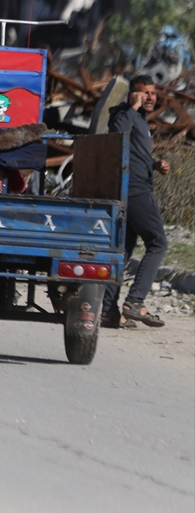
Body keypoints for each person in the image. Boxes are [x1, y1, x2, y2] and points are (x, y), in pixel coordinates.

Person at [101, 74, 171, 328]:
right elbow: (118, 134)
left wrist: (154, 164)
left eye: (152, 93)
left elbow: (131, 152)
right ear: (133, 94)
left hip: (133, 186)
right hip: (135, 190)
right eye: (145, 93)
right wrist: (132, 107)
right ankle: (135, 303)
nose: (150, 97)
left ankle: (109, 311)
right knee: (158, 243)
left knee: (123, 252)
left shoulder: (138, 118)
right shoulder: (123, 114)